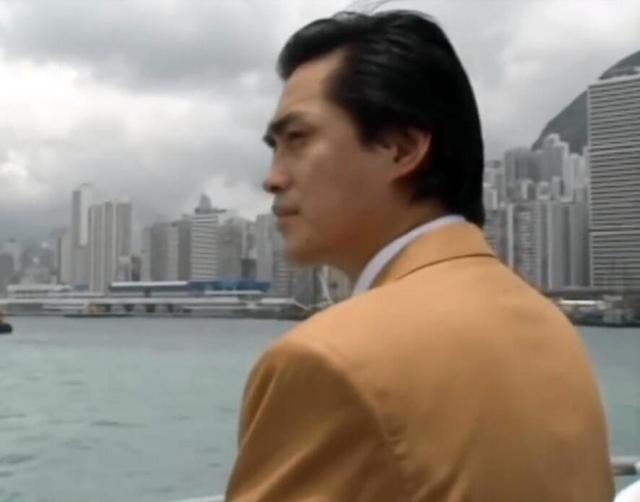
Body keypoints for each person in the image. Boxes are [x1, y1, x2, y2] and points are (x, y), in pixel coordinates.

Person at [226, 10, 614, 501]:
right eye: (274, 147)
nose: (272, 178)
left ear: (402, 148)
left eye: (297, 139)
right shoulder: (550, 325)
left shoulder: (327, 360)